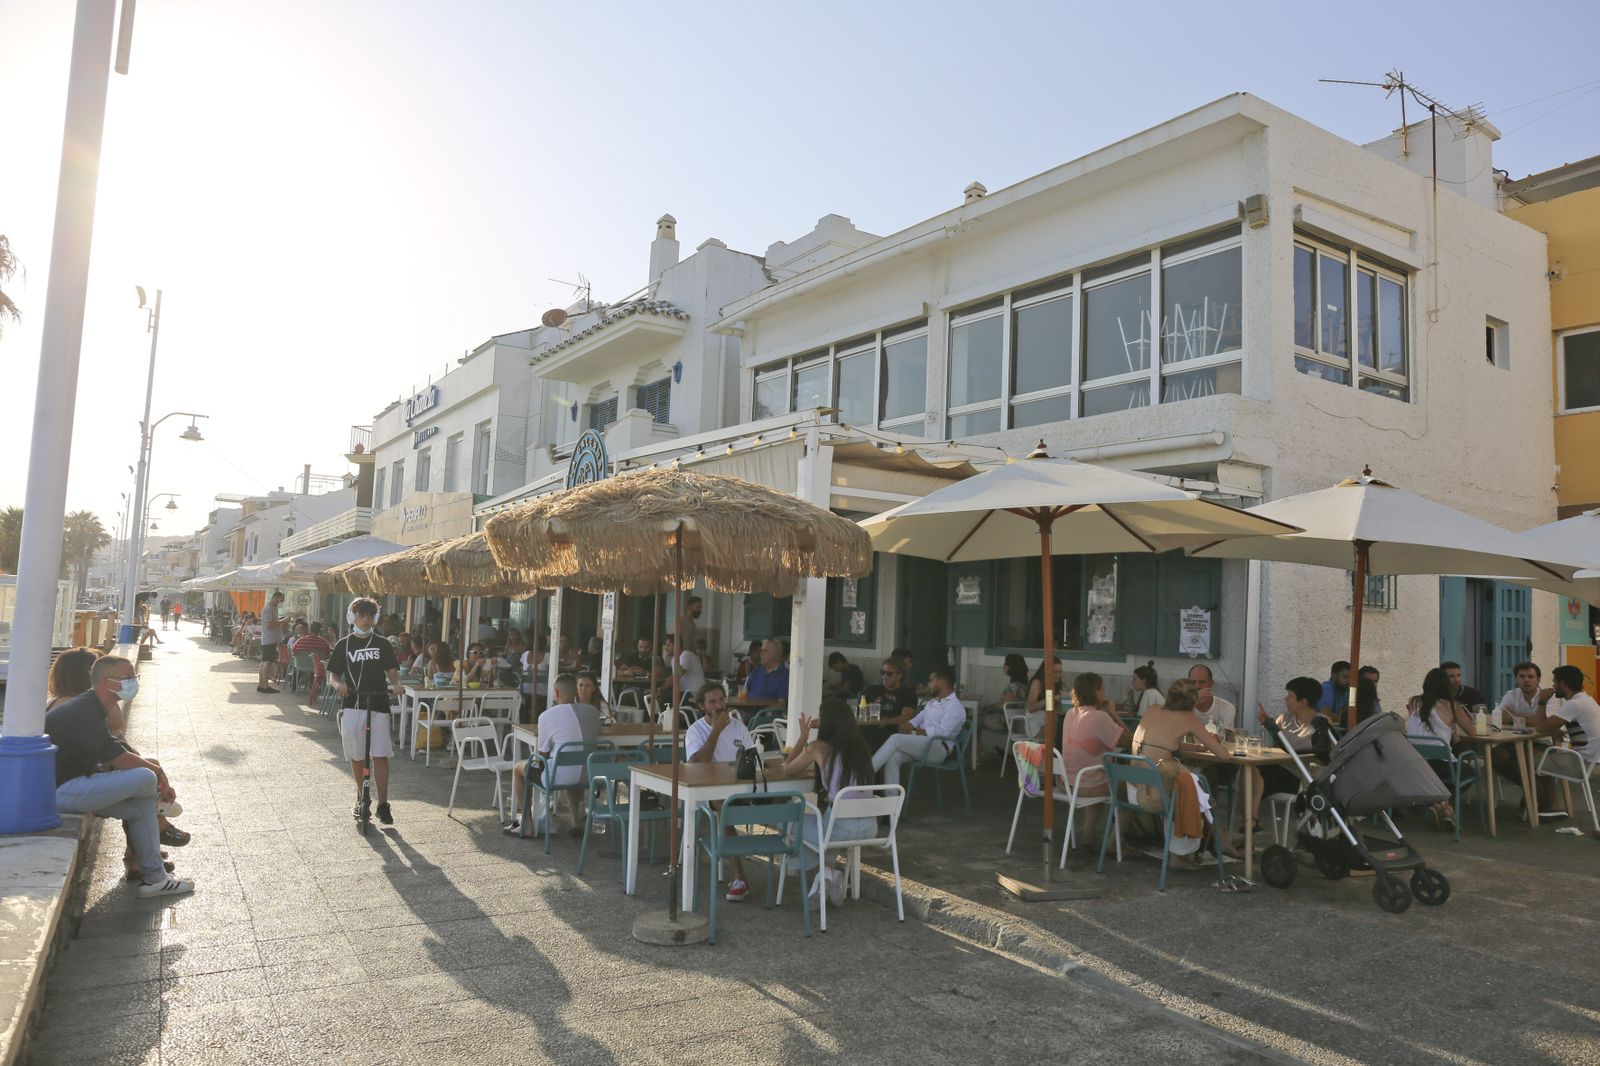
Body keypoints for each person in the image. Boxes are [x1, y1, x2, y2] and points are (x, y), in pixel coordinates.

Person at [46, 656, 194, 897]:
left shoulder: (90, 706)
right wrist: (157, 775)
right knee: (145, 777)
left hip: (71, 785)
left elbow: (115, 748)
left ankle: (155, 877)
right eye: (127, 677)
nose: (133, 681)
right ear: (106, 682)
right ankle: (159, 823)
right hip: (62, 791)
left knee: (139, 809)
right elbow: (120, 759)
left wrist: (157, 775)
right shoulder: (83, 711)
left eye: (134, 677)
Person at [779, 697, 880, 907]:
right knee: (826, 820)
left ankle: (821, 874)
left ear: (825, 722)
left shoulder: (818, 747)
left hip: (838, 830)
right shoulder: (862, 749)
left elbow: (787, 770)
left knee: (789, 818)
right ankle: (826, 872)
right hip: (869, 829)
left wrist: (804, 735)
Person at [1130, 679, 1236, 861]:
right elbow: (1223, 755)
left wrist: (1194, 749)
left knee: (1193, 785)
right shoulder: (1188, 718)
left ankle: (1218, 840)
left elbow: (1160, 744)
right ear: (1193, 702)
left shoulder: (1153, 709)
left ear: (1169, 695)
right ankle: (1215, 843)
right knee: (1199, 789)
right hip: (1156, 794)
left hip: (1133, 787)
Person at [327, 598, 404, 826]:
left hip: (378, 702)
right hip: (352, 704)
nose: (366, 620)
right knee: (356, 754)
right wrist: (337, 685)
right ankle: (361, 796)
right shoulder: (344, 644)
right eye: (362, 615)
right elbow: (333, 676)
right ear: (353, 617)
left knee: (380, 754)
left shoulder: (382, 644)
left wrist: (397, 684)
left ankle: (383, 804)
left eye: (370, 616)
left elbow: (392, 673)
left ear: (375, 619)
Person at [506, 674, 601, 834]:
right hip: (590, 774)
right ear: (576, 692)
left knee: (518, 768)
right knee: (571, 762)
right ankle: (576, 822)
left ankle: (527, 824)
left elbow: (542, 754)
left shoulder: (547, 716)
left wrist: (531, 765)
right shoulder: (593, 712)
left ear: (556, 693)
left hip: (562, 775)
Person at [686, 683, 755, 901]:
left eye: (721, 700)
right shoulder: (696, 730)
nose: (719, 706)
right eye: (712, 702)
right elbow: (697, 764)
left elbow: (752, 757)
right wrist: (716, 730)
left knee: (784, 798)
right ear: (701, 705)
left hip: (740, 787)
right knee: (723, 807)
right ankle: (740, 875)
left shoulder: (738, 726)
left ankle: (799, 863)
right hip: (708, 791)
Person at [1058, 672, 1131, 849]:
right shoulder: (1100, 717)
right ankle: (1114, 845)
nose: (1105, 692)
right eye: (1102, 689)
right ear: (1095, 692)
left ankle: (1088, 837)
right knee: (1132, 792)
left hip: (1065, 782)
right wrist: (1113, 713)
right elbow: (1130, 740)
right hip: (1087, 785)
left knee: (1100, 777)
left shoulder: (1070, 714)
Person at [1250, 677, 1335, 827]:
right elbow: (1274, 746)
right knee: (1250, 771)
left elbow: (1306, 748)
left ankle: (1251, 822)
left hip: (1301, 777)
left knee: (1255, 773)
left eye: (1290, 696)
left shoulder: (1321, 722)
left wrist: (1275, 730)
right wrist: (1268, 726)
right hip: (1279, 771)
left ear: (1303, 701)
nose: (1286, 699)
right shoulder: (1284, 719)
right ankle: (1252, 821)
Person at [871, 665, 966, 787]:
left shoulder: (955, 707)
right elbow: (917, 719)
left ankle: (863, 775)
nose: (928, 685)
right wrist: (907, 725)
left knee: (895, 739)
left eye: (931, 680)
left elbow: (943, 733)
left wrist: (915, 730)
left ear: (941, 682)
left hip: (938, 748)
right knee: (893, 757)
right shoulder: (933, 702)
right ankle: (892, 798)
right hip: (922, 744)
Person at [1406, 667, 1474, 831]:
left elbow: (1427, 727)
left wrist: (1450, 732)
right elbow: (1471, 731)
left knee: (1446, 772)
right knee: (1468, 773)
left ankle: (1441, 807)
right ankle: (1444, 806)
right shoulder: (1451, 705)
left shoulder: (1413, 701)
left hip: (1416, 764)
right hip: (1441, 764)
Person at [1531, 665, 1600, 815]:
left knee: (1532, 759)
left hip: (1583, 763)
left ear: (1562, 684)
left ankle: (1549, 807)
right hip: (1594, 760)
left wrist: (1542, 701)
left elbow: (1540, 727)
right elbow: (1554, 724)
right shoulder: (1586, 700)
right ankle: (1547, 804)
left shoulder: (1574, 704)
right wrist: (1554, 728)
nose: (1553, 686)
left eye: (1555, 682)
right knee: (1543, 756)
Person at [740, 638, 789, 707]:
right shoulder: (756, 671)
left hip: (765, 715)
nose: (761, 653)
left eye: (765, 651)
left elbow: (781, 704)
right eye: (761, 651)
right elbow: (743, 694)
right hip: (746, 711)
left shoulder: (785, 675)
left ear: (775, 653)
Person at [1188, 663, 1236, 733]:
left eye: (1202, 682)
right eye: (1193, 682)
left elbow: (1226, 739)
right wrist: (1193, 703)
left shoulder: (1226, 708)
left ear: (1211, 684)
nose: (1197, 686)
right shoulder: (1181, 706)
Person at [1026, 658, 1063, 742]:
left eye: (1060, 672)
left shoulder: (1058, 684)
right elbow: (1030, 708)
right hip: (1036, 723)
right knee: (1058, 730)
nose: (1058, 675)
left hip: (1051, 720)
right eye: (1055, 672)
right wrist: (1051, 698)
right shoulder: (1037, 682)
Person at [294, 622, 333, 701]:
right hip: (318, 667)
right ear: (320, 631)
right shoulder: (324, 642)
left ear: (309, 630)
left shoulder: (300, 640)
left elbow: (293, 651)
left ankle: (294, 686)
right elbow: (327, 655)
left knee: (296, 668)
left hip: (301, 665)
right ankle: (322, 688)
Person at [257, 591, 285, 694]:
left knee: (264, 662)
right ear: (275, 597)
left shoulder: (270, 609)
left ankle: (261, 685)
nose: (279, 603)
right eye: (279, 600)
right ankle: (265, 686)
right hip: (270, 639)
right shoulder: (268, 609)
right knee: (267, 662)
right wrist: (283, 621)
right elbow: (269, 625)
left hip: (268, 639)